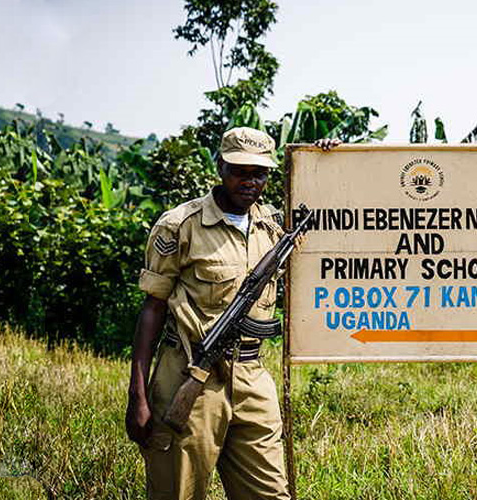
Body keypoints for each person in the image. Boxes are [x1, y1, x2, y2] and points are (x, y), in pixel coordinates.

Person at [125, 127, 339, 500]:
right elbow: (153, 309)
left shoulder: (274, 226)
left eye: (259, 173)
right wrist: (137, 396)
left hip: (253, 379)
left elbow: (334, 212)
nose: (250, 181)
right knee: (178, 493)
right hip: (189, 372)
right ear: (220, 166)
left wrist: (325, 160)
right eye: (240, 170)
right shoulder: (180, 225)